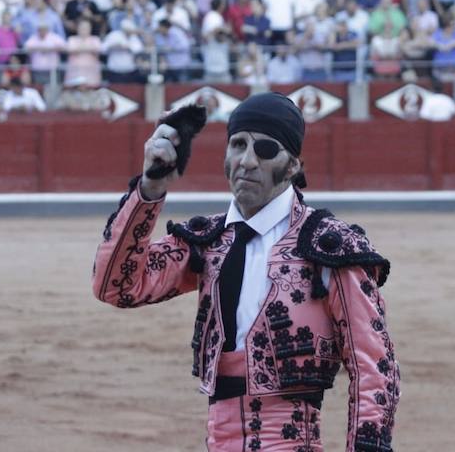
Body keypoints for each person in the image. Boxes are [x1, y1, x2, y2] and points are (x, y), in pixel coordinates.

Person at [92, 92, 399, 451]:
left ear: (293, 165)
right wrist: (151, 187)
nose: (247, 161)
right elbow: (117, 286)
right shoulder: (208, 241)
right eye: (238, 145)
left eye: (266, 150)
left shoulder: (330, 248)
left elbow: (374, 365)